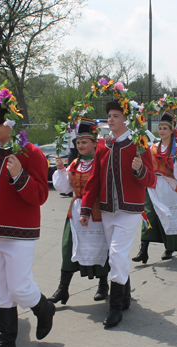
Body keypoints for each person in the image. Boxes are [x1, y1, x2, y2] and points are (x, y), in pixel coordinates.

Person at [0, 102, 55, 347]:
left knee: (19, 288)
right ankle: (6, 343)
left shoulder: (31, 153)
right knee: (1, 291)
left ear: (12, 123)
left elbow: (41, 195)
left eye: (0, 122)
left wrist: (19, 176)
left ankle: (44, 308)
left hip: (20, 234)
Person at [80, 100, 156, 328]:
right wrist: (85, 208)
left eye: (115, 115)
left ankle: (114, 309)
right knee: (117, 255)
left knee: (116, 253)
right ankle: (124, 296)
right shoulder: (103, 145)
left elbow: (151, 180)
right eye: (109, 116)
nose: (110, 119)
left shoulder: (138, 144)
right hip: (107, 210)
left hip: (129, 209)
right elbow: (94, 179)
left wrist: (140, 169)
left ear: (126, 119)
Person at [49, 118, 110, 304]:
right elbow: (65, 188)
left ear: (94, 143)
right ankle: (63, 289)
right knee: (68, 248)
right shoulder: (75, 163)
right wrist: (60, 170)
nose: (81, 145)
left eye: (85, 142)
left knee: (101, 248)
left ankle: (103, 285)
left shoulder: (101, 162)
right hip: (75, 212)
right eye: (78, 142)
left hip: (97, 212)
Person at [132, 111, 177, 263]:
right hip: (153, 186)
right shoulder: (153, 147)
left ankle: (169, 248)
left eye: (165, 128)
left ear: (172, 130)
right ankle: (143, 250)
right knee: (148, 215)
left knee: (169, 217)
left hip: (169, 187)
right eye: (160, 127)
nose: (162, 131)